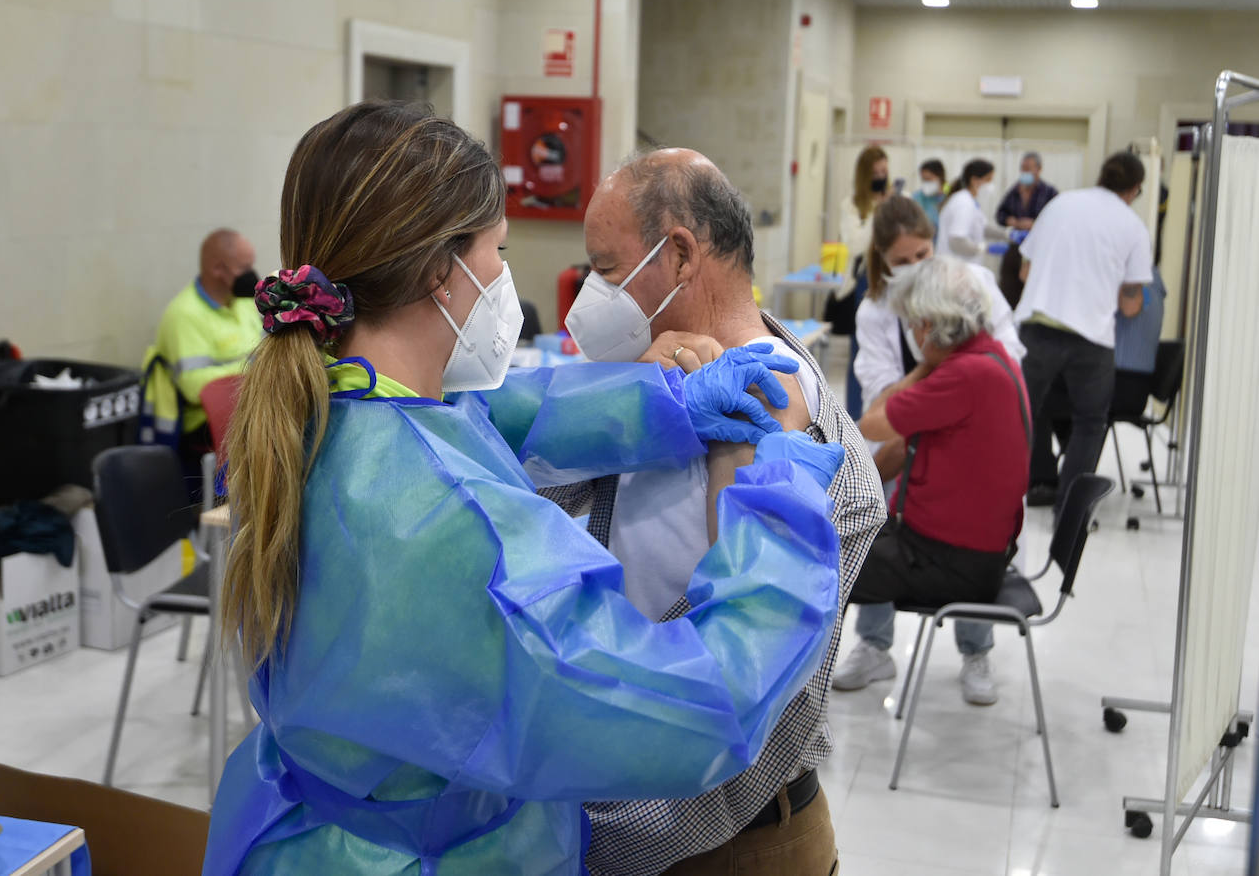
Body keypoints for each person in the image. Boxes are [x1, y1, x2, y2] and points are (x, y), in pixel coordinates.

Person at [203, 103, 848, 874]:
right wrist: (780, 506)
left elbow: (509, 414)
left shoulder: (316, 410)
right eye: (499, 251)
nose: (506, 278)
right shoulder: (451, 524)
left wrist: (668, 403)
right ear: (442, 271)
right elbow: (699, 712)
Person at [564, 148, 887, 876]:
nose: (590, 295)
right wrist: (617, 404)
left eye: (607, 269)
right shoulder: (669, 375)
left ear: (679, 253)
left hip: (724, 843)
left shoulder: (772, 403)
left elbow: (755, 691)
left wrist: (594, 829)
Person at [836, 195, 1025, 704]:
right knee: (876, 502)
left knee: (950, 527)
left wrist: (936, 380)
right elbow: (879, 398)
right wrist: (929, 389)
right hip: (915, 424)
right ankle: (875, 646)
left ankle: (974, 646)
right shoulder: (876, 311)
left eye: (923, 255)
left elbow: (1005, 350)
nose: (915, 268)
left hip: (958, 427)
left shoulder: (970, 288)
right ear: (882, 259)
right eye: (903, 261)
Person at [1017, 151, 1151, 516]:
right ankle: (1071, 513)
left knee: (1021, 414)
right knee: (1090, 424)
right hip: (1092, 340)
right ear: (1135, 188)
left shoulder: (1060, 204)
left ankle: (1010, 498)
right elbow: (1129, 304)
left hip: (1037, 329)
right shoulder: (1133, 226)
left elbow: (1025, 273)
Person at [140, 228, 262, 484]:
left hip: (247, 407)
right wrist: (252, 371)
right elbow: (195, 387)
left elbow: (265, 351)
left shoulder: (242, 302)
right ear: (218, 269)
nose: (252, 274)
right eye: (244, 267)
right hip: (204, 424)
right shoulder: (183, 314)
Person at [836, 145, 891, 418]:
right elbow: (856, 245)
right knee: (859, 352)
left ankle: (883, 415)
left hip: (890, 280)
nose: (881, 177)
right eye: (876, 172)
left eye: (884, 171)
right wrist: (876, 212)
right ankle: (855, 418)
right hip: (863, 282)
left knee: (888, 349)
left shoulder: (893, 199)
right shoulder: (851, 205)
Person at [995, 152, 1059, 308]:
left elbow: (1058, 219)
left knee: (1032, 291)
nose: (1024, 172)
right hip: (1015, 247)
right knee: (1008, 291)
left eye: (1028, 168)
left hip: (1037, 249)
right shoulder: (1015, 191)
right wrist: (1013, 221)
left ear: (1038, 169)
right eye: (1022, 168)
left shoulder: (1049, 192)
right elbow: (1000, 215)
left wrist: (1035, 224)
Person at [936, 158, 998, 260]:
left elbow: (981, 227)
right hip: (954, 268)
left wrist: (1007, 234)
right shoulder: (963, 204)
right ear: (974, 180)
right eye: (988, 180)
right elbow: (956, 241)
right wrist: (984, 248)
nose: (990, 185)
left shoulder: (969, 201)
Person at [910, 158, 946, 230]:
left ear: (940, 177)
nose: (926, 183)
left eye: (928, 179)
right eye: (923, 179)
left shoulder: (949, 197)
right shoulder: (917, 197)